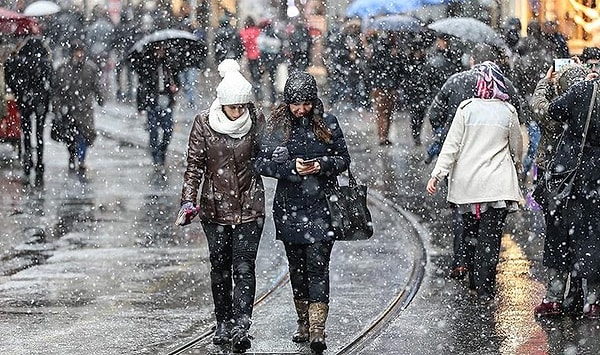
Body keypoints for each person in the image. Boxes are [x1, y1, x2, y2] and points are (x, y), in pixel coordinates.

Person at [255, 71, 351, 354]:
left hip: (322, 207)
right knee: (297, 269)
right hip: (289, 209)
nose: (301, 109)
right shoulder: (276, 127)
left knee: (318, 267)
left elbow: (343, 159)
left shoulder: (328, 123)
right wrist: (289, 168)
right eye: (296, 104)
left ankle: (318, 328)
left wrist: (321, 165)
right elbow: (260, 164)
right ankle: (302, 322)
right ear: (287, 102)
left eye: (306, 103)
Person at [177, 59, 265, 353]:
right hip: (214, 210)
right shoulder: (204, 123)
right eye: (233, 107)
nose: (239, 111)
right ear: (222, 104)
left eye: (242, 106)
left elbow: (269, 154)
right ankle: (223, 321)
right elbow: (195, 166)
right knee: (220, 268)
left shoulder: (256, 120)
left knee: (243, 266)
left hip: (250, 208)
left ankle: (242, 322)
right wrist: (188, 200)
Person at [425, 43, 528, 279]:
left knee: (462, 210)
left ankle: (462, 260)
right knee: (490, 226)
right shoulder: (505, 86)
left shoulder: (455, 82)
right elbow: (519, 120)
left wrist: (443, 137)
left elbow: (435, 115)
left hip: (461, 161)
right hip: (494, 170)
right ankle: (483, 278)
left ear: (472, 61)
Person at [530, 63, 591, 317]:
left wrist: (545, 81)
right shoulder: (587, 106)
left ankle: (554, 297)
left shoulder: (556, 112)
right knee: (584, 235)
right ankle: (580, 294)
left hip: (554, 180)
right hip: (584, 178)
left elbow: (537, 105)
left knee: (556, 236)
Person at [548, 74, 600, 319]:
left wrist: (552, 86)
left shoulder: (584, 89)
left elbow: (553, 110)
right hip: (596, 176)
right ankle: (593, 301)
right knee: (593, 236)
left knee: (562, 233)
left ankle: (556, 298)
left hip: (573, 173)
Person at [4, 36, 54, 186]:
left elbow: (9, 75)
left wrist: (19, 91)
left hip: (25, 100)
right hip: (40, 101)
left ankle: (27, 160)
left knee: (26, 132)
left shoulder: (18, 61)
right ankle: (39, 163)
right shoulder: (45, 62)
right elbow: (51, 82)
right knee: (39, 133)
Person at [53, 40, 104, 179]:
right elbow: (57, 90)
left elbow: (96, 85)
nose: (79, 55)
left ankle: (81, 160)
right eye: (77, 52)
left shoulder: (90, 68)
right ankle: (72, 156)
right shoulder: (63, 68)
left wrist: (100, 98)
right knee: (70, 136)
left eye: (81, 52)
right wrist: (57, 107)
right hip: (68, 108)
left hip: (85, 108)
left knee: (85, 135)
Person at [135, 43, 180, 170]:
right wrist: (140, 105)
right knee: (153, 131)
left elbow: (177, 82)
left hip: (166, 101)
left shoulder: (169, 65)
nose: (160, 51)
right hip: (152, 102)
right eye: (158, 49)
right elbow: (141, 86)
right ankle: (156, 156)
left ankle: (162, 151)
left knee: (168, 130)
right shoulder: (147, 65)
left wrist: (174, 87)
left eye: (162, 48)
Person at [364, 30, 407, 146]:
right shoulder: (385, 51)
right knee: (384, 113)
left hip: (386, 86)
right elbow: (391, 68)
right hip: (384, 87)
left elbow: (399, 69)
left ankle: (384, 136)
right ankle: (383, 136)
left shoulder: (382, 50)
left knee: (386, 113)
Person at [239, 17, 262, 101]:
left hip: (249, 57)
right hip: (259, 56)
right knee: (258, 76)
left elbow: (242, 45)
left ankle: (256, 93)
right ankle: (259, 92)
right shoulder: (258, 31)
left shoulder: (243, 33)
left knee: (253, 76)